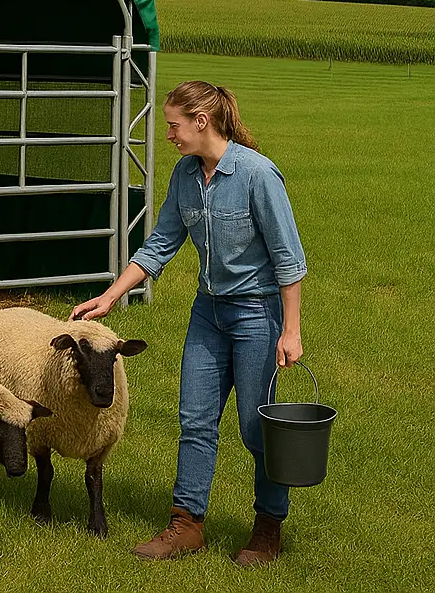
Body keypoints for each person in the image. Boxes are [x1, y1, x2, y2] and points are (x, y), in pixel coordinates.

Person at [72, 81, 306, 567]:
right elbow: (160, 244)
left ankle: (267, 527)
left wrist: (291, 329)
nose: (170, 135)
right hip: (209, 313)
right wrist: (111, 297)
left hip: (257, 314)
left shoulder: (258, 175)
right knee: (195, 419)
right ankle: (187, 523)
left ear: (203, 122)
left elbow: (288, 258)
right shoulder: (185, 175)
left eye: (174, 125)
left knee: (254, 428)